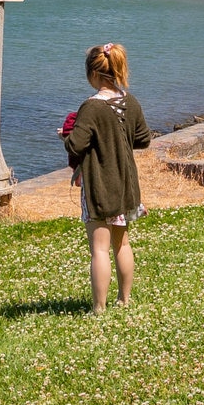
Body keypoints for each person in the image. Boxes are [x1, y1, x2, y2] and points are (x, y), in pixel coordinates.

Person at [64, 43, 152, 312]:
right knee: (122, 243)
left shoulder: (90, 108)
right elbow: (143, 139)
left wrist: (64, 135)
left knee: (99, 249)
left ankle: (98, 308)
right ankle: (125, 300)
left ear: (93, 74)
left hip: (99, 186)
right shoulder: (130, 102)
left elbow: (75, 145)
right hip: (126, 185)